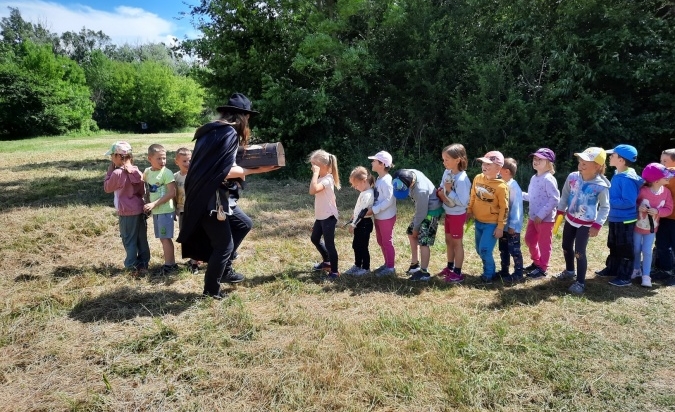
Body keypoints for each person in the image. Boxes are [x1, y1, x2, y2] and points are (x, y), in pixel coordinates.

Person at [177, 93, 275, 299]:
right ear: (242, 117)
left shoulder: (211, 131)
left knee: (243, 224)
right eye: (247, 118)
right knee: (224, 245)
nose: (248, 122)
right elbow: (226, 171)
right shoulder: (227, 133)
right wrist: (258, 170)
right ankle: (211, 291)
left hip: (209, 194)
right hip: (211, 199)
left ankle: (225, 269)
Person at [553, 147, 611, 295]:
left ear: (597, 166)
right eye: (581, 160)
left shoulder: (601, 186)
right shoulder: (572, 177)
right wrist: (560, 211)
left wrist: (597, 225)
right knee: (566, 246)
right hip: (570, 219)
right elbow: (565, 195)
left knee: (580, 252)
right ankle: (570, 271)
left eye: (586, 161)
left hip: (586, 224)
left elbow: (605, 207)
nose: (581, 163)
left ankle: (580, 282)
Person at [103, 141, 150, 275]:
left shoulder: (117, 173)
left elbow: (107, 188)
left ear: (118, 156)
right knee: (141, 238)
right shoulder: (137, 171)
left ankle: (131, 266)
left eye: (112, 155)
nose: (111, 158)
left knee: (129, 239)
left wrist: (109, 172)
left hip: (126, 212)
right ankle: (143, 264)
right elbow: (142, 190)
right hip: (139, 209)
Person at [600, 145, 643, 287]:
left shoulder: (627, 179)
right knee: (613, 245)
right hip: (615, 218)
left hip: (625, 220)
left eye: (612, 155)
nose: (610, 157)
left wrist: (607, 201)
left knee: (624, 248)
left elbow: (629, 202)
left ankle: (625, 277)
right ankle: (612, 269)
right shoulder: (618, 174)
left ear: (621, 160)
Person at [392, 169, 443, 281]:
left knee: (423, 241)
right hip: (422, 210)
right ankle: (415, 265)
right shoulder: (408, 173)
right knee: (411, 233)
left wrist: (416, 228)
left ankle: (424, 272)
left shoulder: (421, 191)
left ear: (411, 183)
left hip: (431, 212)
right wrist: (414, 230)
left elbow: (422, 213)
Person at [466, 151, 509, 284]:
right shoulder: (478, 178)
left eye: (489, 164)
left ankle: (489, 275)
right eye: (484, 163)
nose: (484, 166)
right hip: (479, 221)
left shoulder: (501, 186)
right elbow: (473, 195)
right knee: (479, 249)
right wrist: (469, 211)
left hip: (492, 224)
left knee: (485, 250)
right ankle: (488, 269)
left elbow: (504, 208)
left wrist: (500, 227)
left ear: (498, 168)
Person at [633, 163, 674, 287]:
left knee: (647, 251)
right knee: (635, 249)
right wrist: (638, 208)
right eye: (665, 176)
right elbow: (633, 203)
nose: (669, 178)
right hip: (637, 227)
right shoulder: (642, 191)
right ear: (656, 180)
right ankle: (636, 269)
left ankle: (646, 276)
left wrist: (658, 212)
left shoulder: (666, 192)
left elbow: (669, 209)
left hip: (652, 230)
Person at [436, 143, 471, 283]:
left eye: (447, 159)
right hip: (449, 213)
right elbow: (441, 186)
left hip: (457, 215)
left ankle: (458, 272)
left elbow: (463, 202)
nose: (444, 162)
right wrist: (441, 192)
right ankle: (449, 268)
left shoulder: (462, 180)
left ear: (457, 160)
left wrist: (449, 191)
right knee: (448, 241)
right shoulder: (447, 172)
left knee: (457, 243)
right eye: (443, 159)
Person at [523, 148, 560, 279]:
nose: (536, 161)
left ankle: (543, 268)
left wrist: (542, 214)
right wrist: (519, 195)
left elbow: (555, 199)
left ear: (549, 162)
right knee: (529, 240)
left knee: (544, 244)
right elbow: (532, 196)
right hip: (533, 217)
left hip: (545, 219)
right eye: (535, 159)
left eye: (540, 159)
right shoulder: (534, 177)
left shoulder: (548, 179)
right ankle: (536, 262)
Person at [143, 143, 177, 275]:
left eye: (164, 158)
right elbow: (143, 184)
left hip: (165, 211)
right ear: (149, 159)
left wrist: (153, 204)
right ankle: (170, 263)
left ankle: (170, 265)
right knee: (162, 238)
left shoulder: (167, 173)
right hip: (156, 211)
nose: (162, 161)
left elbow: (171, 193)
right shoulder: (147, 172)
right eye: (159, 158)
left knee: (165, 238)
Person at [309, 149, 341, 280]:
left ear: (324, 166)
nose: (312, 168)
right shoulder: (321, 178)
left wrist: (315, 174)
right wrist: (317, 174)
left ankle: (334, 271)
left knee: (329, 244)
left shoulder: (328, 179)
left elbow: (313, 190)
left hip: (329, 217)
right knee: (314, 238)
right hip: (321, 216)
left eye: (314, 165)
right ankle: (327, 261)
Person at [368, 151, 397, 277]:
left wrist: (374, 210)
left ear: (382, 164)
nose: (372, 162)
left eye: (374, 161)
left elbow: (389, 200)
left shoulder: (387, 181)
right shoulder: (379, 179)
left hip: (386, 217)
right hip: (379, 216)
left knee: (387, 241)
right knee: (380, 240)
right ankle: (386, 264)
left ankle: (390, 267)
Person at [343, 166, 375, 276]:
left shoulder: (368, 194)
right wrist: (353, 215)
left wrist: (353, 224)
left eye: (356, 185)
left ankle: (365, 268)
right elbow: (358, 208)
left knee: (362, 246)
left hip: (364, 224)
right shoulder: (364, 193)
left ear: (364, 181)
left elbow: (363, 212)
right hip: (360, 223)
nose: (355, 188)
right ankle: (357, 265)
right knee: (356, 245)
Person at [497, 157, 524, 284]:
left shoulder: (514, 187)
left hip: (512, 227)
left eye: (499, 169)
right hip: (503, 226)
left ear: (506, 171)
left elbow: (516, 208)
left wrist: (512, 225)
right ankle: (504, 271)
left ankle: (519, 273)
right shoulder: (503, 185)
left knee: (514, 250)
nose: (497, 172)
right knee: (503, 249)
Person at [173, 147, 200, 274]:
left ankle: (196, 261)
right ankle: (192, 259)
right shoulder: (175, 177)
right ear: (176, 162)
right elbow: (172, 195)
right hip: (182, 212)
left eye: (190, 160)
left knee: (197, 235)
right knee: (186, 235)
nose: (188, 164)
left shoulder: (195, 176)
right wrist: (174, 210)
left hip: (195, 211)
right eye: (184, 161)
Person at [654, 148, 675, 285]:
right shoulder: (666, 176)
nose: (661, 164)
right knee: (662, 244)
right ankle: (665, 270)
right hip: (665, 216)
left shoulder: (670, 175)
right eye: (661, 161)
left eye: (665, 161)